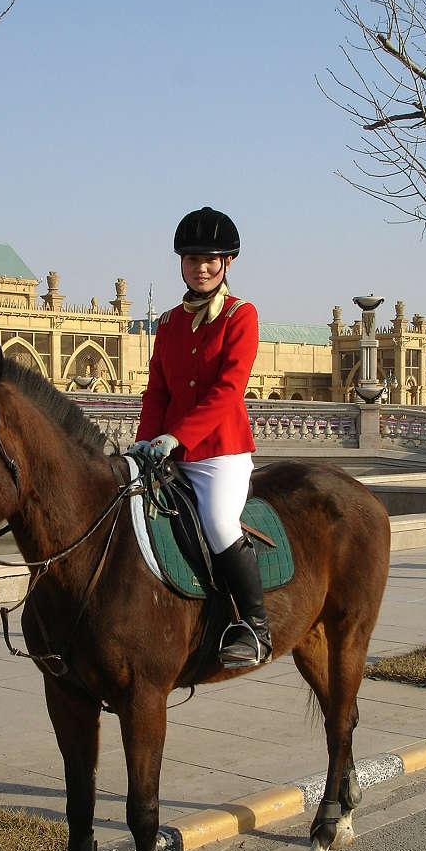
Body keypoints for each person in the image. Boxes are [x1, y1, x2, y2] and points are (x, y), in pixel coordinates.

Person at [129, 206, 271, 667]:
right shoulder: (167, 324)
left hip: (220, 454)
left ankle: (254, 627)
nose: (202, 268)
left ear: (226, 262)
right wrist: (145, 439)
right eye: (192, 260)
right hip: (167, 450)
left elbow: (228, 390)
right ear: (182, 264)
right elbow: (157, 391)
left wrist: (179, 437)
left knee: (218, 524)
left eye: (210, 260)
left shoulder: (240, 316)